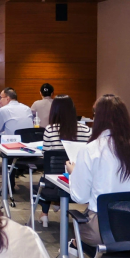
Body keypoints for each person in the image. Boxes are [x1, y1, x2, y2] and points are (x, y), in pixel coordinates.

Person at [66, 94, 130, 258]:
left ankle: (75, 245)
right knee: (106, 219)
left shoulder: (91, 150)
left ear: (98, 118)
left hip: (104, 231)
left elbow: (79, 197)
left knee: (88, 220)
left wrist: (73, 173)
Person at [38, 96, 80, 227]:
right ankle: (56, 204)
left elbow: (45, 155)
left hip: (54, 179)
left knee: (44, 179)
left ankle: (44, 214)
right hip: (77, 178)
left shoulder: (50, 130)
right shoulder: (86, 130)